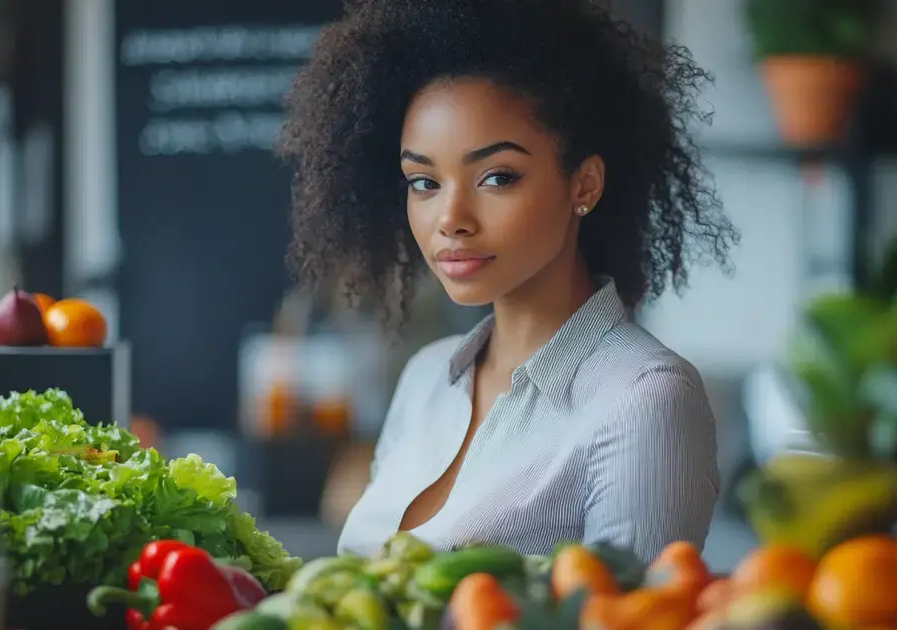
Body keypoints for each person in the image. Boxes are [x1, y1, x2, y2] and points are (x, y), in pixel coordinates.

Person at [276, 0, 739, 562]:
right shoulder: (427, 380)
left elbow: (633, 618)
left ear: (584, 185)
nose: (451, 218)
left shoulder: (645, 399)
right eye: (424, 182)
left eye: (497, 177)